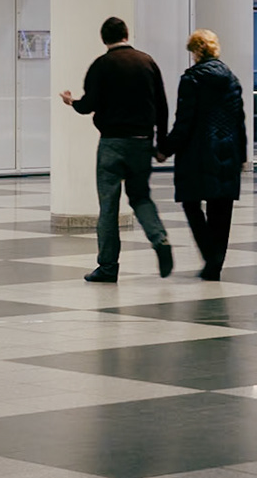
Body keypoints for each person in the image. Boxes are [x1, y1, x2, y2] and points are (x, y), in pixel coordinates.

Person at [60, 16, 173, 282]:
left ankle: (108, 267)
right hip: (142, 141)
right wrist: (162, 144)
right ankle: (160, 239)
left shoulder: (101, 65)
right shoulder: (147, 62)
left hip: (111, 143)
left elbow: (89, 105)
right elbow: (162, 105)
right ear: (126, 33)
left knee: (108, 205)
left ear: (104, 39)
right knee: (141, 197)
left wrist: (71, 102)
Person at [162, 29, 247, 280]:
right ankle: (216, 263)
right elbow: (239, 121)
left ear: (198, 51)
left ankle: (211, 256)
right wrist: (242, 154)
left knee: (191, 203)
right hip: (228, 150)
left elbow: (184, 121)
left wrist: (166, 149)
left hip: (198, 153)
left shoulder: (191, 79)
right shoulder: (232, 79)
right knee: (222, 208)